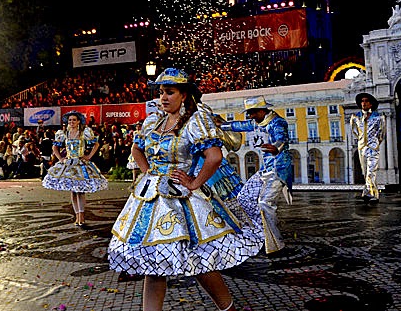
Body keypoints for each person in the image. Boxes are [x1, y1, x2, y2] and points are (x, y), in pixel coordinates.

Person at [107, 67, 264, 311]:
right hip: (150, 201)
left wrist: (193, 182)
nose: (163, 98)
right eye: (161, 92)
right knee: (153, 265)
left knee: (200, 262)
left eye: (169, 92)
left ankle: (229, 308)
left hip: (183, 201)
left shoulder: (194, 121)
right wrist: (149, 173)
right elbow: (136, 149)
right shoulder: (153, 121)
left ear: (184, 95)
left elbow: (214, 156)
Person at [219, 95, 293, 255]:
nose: (250, 116)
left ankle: (276, 244)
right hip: (265, 170)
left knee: (265, 203)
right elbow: (240, 125)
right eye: (249, 113)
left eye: (252, 112)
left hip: (278, 169)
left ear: (261, 110)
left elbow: (282, 138)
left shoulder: (277, 123)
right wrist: (222, 125)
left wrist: (276, 147)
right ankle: (259, 232)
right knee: (243, 197)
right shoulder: (256, 123)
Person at [42, 111, 108, 227]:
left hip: (81, 163)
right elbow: (55, 147)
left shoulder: (84, 133)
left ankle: (81, 216)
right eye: (70, 120)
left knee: (80, 191)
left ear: (78, 122)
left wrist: (89, 156)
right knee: (73, 191)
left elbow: (96, 144)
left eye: (74, 120)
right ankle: (77, 216)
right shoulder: (64, 133)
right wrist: (61, 159)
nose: (71, 122)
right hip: (69, 164)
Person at [350, 92, 386, 204]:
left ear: (371, 104)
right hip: (362, 147)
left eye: (366, 101)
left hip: (373, 147)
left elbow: (381, 133)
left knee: (371, 171)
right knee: (365, 171)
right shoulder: (356, 117)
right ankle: (367, 192)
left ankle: (374, 194)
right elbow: (355, 131)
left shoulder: (378, 117)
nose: (364, 103)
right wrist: (361, 140)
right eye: (362, 101)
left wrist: (375, 142)